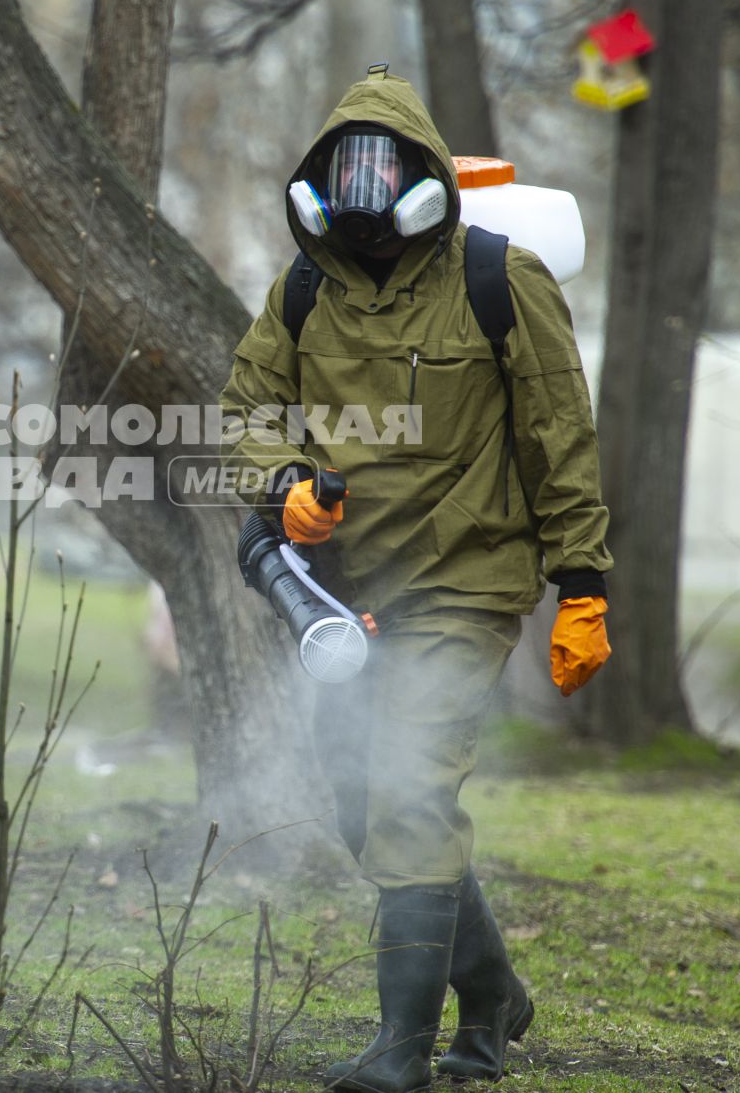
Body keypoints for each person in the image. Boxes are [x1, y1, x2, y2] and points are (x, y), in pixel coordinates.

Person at [218, 69, 613, 1092]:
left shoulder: (499, 277)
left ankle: (401, 1051)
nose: (369, 230)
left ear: (424, 188)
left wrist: (583, 583)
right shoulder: (303, 289)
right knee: (365, 802)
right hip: (351, 596)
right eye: (345, 210)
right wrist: (283, 485)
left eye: (383, 209)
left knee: (408, 785)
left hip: (468, 585)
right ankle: (491, 994)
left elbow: (559, 432)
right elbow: (248, 405)